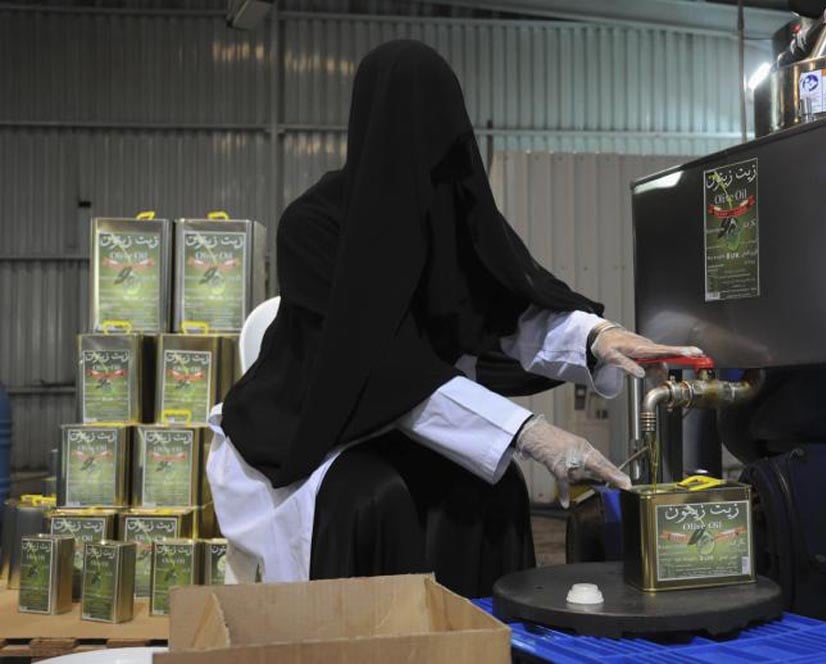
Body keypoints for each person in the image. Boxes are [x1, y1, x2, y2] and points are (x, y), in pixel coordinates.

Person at [206, 40, 702, 597]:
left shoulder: (450, 209)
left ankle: (486, 642)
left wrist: (599, 338)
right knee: (377, 500)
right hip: (317, 429)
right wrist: (530, 433)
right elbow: (383, 369)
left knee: (493, 491)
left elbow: (510, 305)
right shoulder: (314, 227)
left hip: (415, 421)